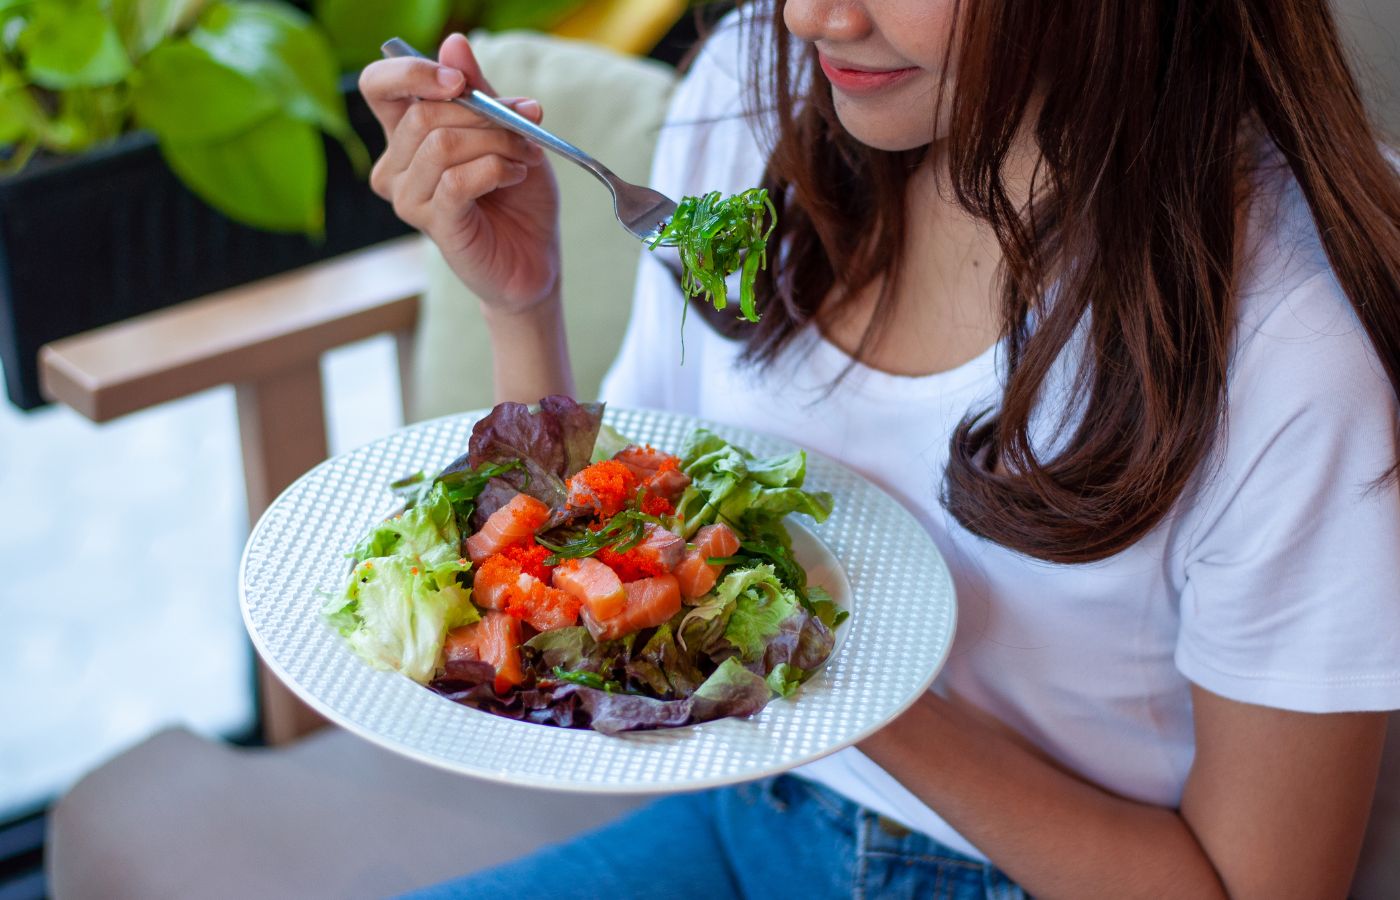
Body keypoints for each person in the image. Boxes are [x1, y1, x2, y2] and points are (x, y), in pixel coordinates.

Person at [358, 0, 1400, 896]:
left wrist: (823, 667)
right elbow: (611, 526)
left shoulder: (1280, 356)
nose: (811, 15)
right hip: (742, 813)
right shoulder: (747, 98)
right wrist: (521, 307)